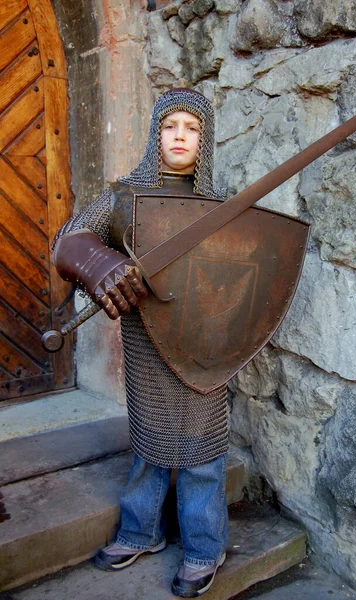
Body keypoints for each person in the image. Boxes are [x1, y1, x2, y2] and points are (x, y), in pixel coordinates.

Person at [52, 89, 229, 598]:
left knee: (202, 454)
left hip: (203, 348)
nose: (180, 135)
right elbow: (70, 239)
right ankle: (141, 531)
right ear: (155, 135)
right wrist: (100, 264)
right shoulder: (124, 198)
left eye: (192, 128)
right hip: (149, 346)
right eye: (170, 125)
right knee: (150, 447)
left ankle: (204, 544)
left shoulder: (220, 207)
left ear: (205, 141)